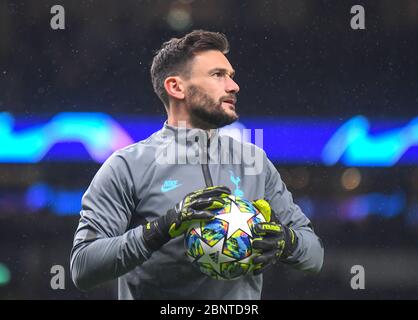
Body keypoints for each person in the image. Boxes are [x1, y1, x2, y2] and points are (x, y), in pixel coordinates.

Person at [70, 30, 324, 299]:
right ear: (176, 87)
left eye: (231, 76)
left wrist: (287, 241)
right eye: (218, 75)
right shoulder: (127, 166)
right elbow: (83, 267)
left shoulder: (255, 163)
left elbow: (315, 255)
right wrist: (161, 228)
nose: (233, 86)